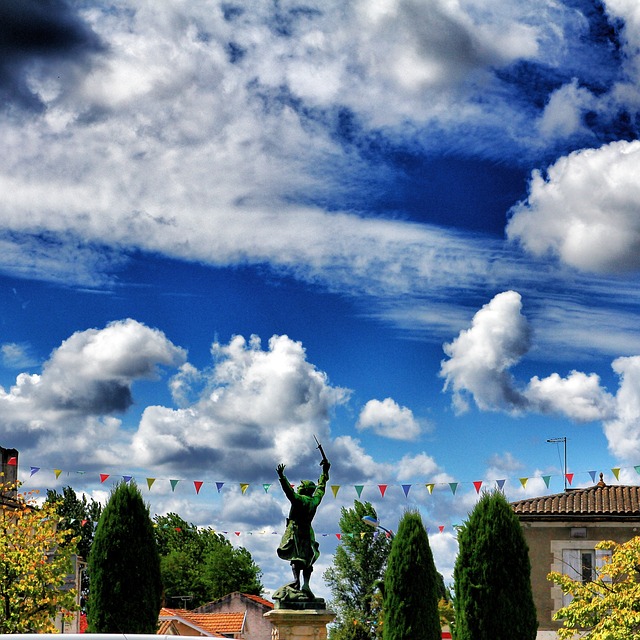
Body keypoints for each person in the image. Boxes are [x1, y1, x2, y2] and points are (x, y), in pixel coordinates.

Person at [276, 458, 330, 596]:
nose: (298, 487)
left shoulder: (299, 500)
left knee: (296, 557)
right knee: (307, 559)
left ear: (305, 489)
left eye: (301, 486)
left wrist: (282, 477)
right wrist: (324, 473)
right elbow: (321, 489)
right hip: (308, 531)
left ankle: (296, 581)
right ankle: (305, 584)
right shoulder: (314, 500)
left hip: (296, 531)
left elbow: (289, 492)